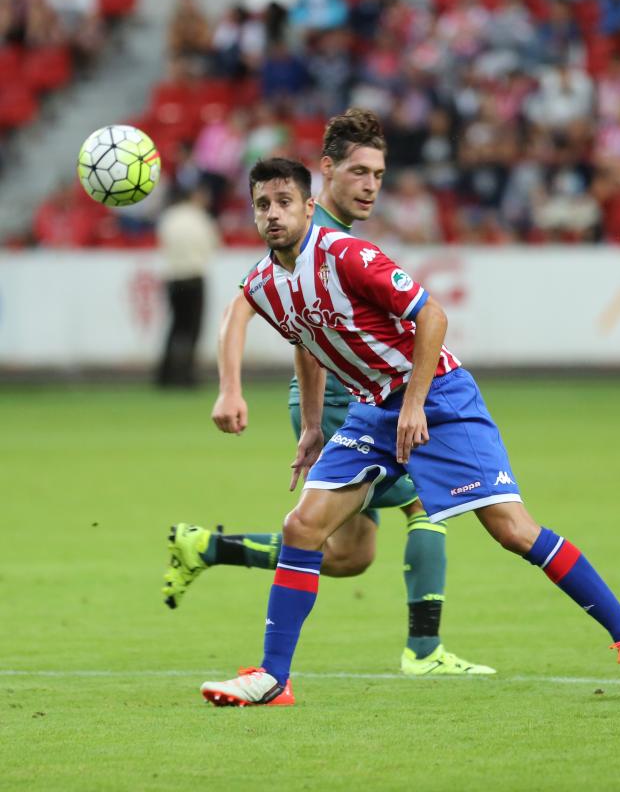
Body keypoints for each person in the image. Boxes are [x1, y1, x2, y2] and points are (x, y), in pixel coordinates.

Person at [197, 157, 620, 707]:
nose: (272, 214)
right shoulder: (264, 283)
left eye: (283, 202)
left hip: (438, 396)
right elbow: (305, 341)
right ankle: (274, 678)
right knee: (302, 527)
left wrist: (415, 403)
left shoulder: (347, 254)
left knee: (513, 531)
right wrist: (316, 425)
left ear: (307, 205)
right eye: (262, 205)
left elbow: (432, 316)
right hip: (373, 412)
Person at [163, 109, 494, 677]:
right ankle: (423, 651)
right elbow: (239, 309)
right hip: (354, 401)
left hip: (343, 400)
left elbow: (303, 329)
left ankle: (209, 548)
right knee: (429, 501)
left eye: (378, 175)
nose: (370, 186)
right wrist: (231, 389)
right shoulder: (307, 235)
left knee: (349, 557)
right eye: (359, 172)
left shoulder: (335, 242)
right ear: (324, 175)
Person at [156, 185, 220, 388]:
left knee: (175, 327)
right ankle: (186, 376)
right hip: (194, 276)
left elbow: (162, 242)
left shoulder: (169, 217)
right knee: (193, 329)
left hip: (174, 276)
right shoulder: (200, 218)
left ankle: (165, 375)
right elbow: (213, 245)